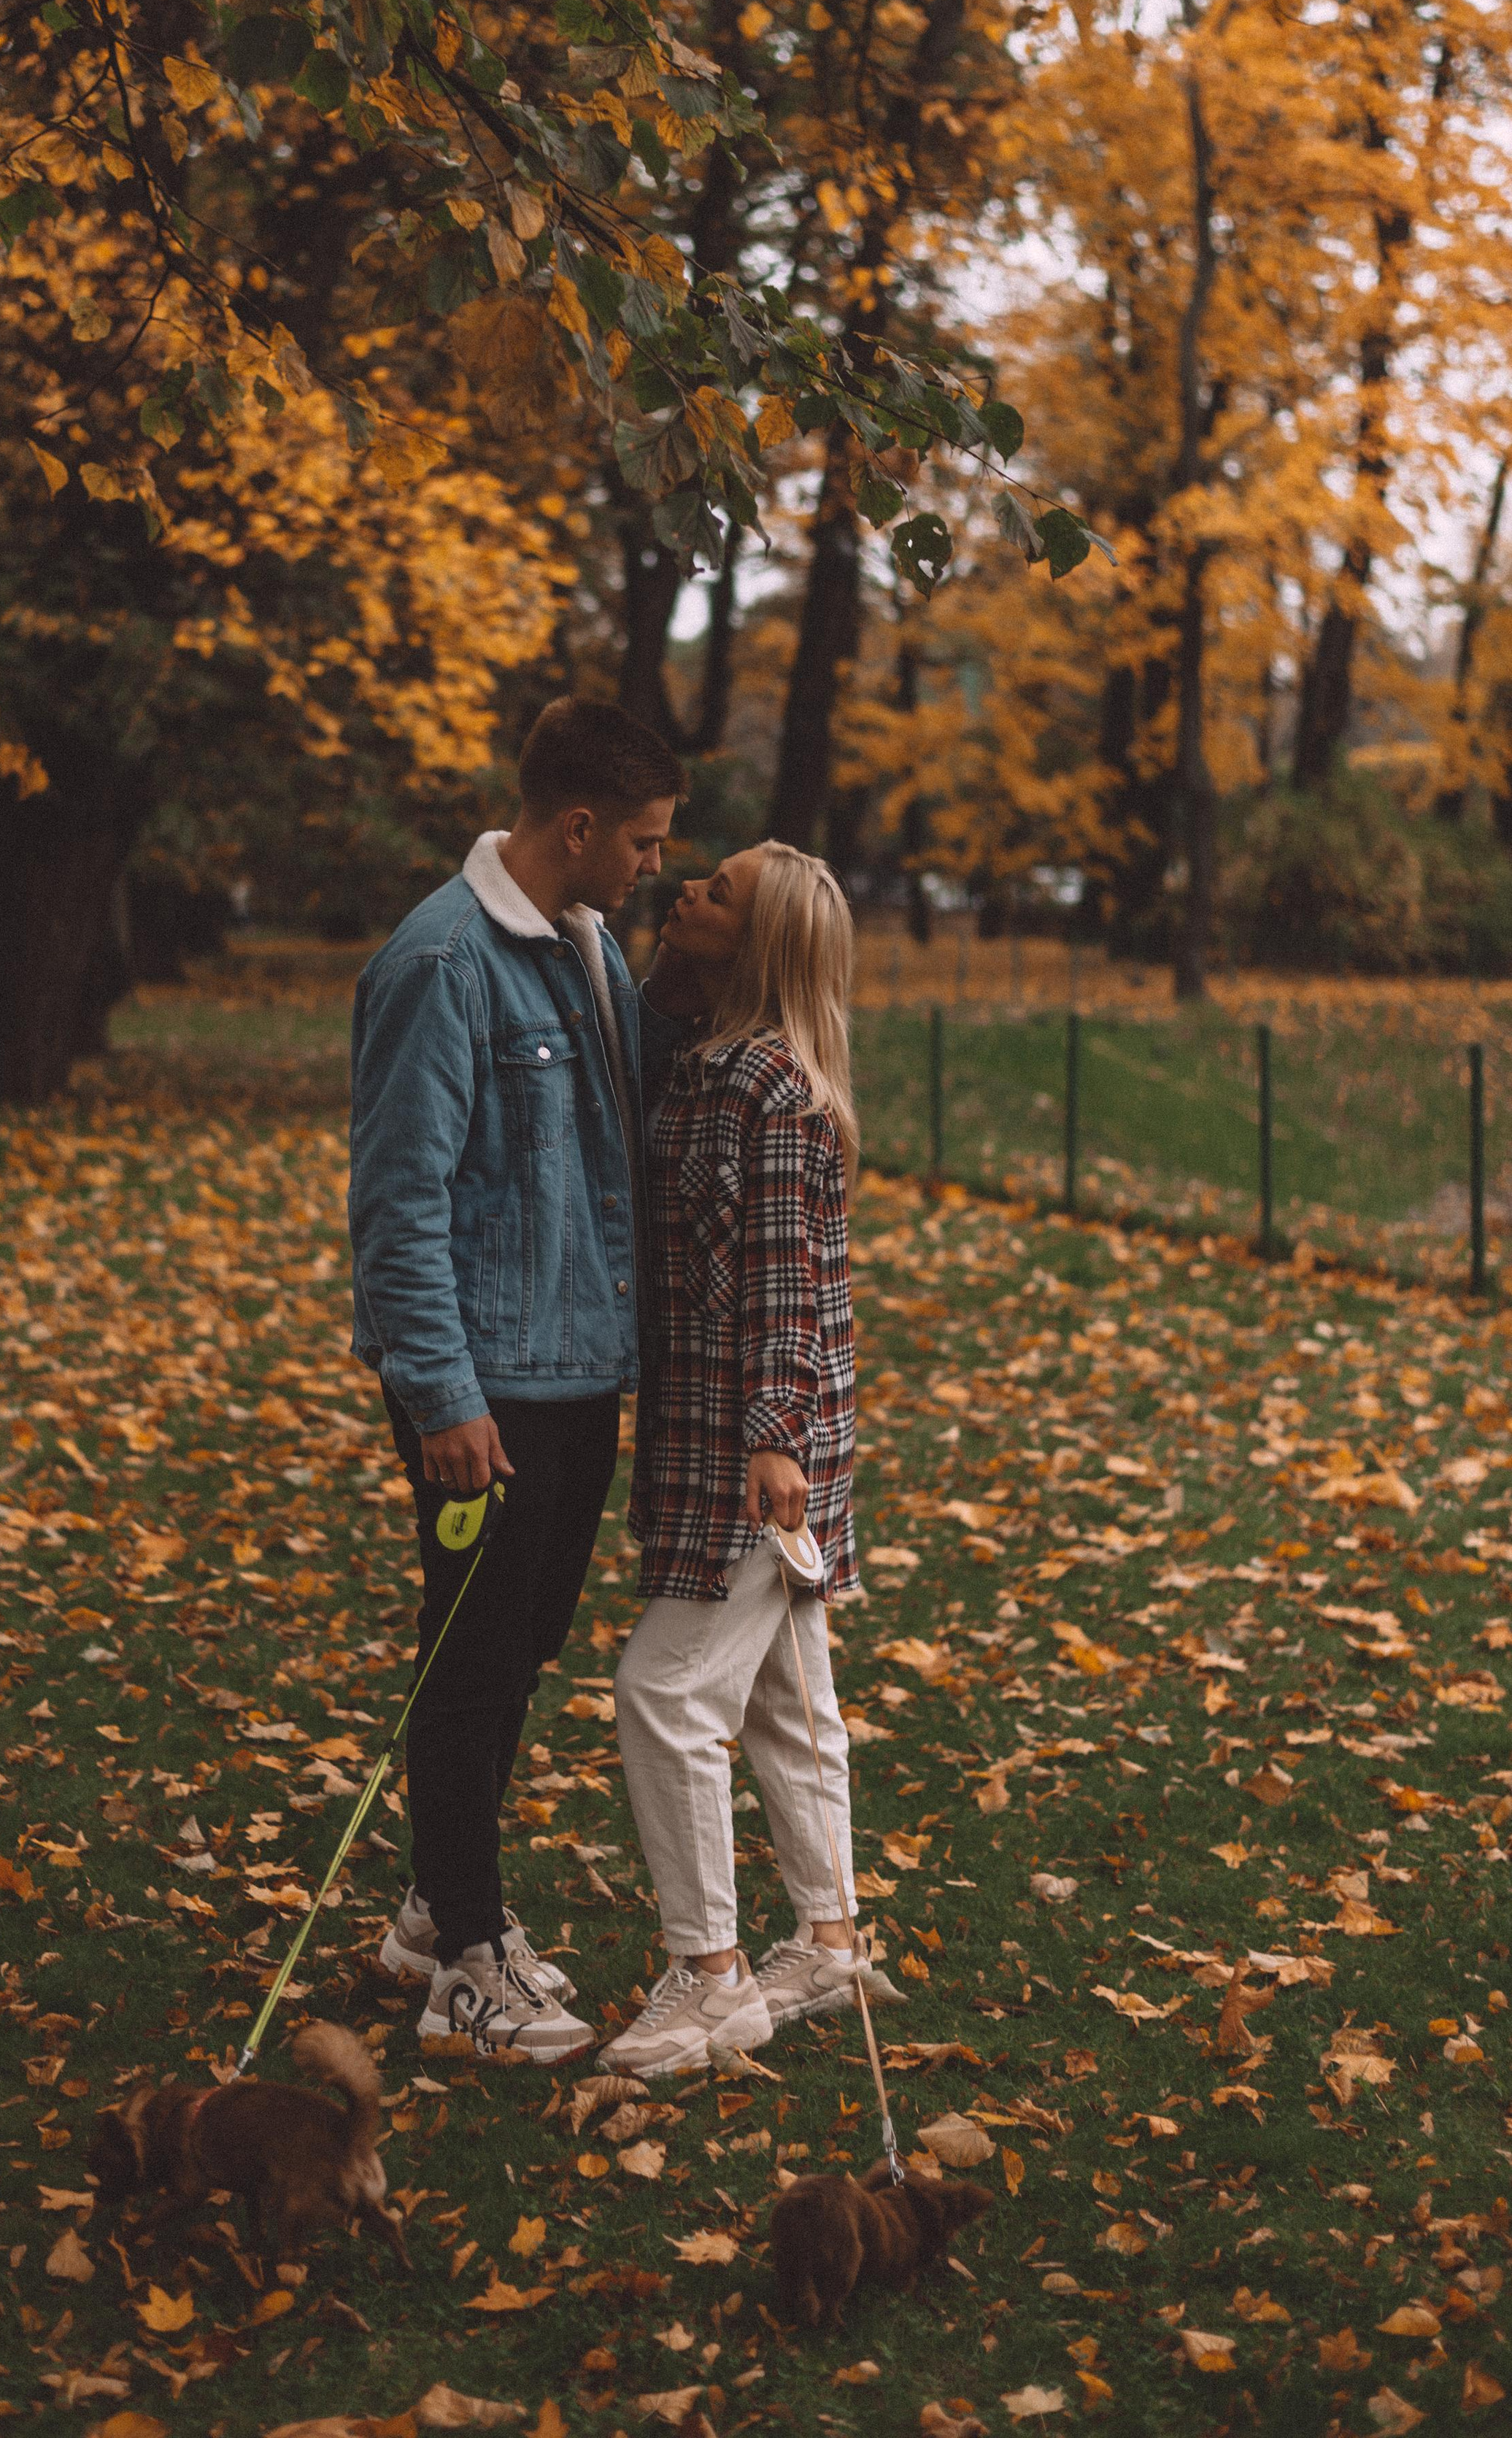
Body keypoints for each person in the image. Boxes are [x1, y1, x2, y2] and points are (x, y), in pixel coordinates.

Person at [350, 696, 687, 2061]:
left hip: (574, 1369)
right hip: (484, 1386)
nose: (657, 865)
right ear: (579, 826)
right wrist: (442, 1398)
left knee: (520, 1644)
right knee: (476, 1652)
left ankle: (438, 1905)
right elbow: (398, 1202)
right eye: (650, 841)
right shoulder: (445, 962)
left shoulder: (588, 946)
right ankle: (472, 1970)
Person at [598, 841, 901, 2078]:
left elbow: (784, 1282)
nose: (686, 891)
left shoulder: (764, 1088)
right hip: (749, 1439)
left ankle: (710, 1976)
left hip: (753, 1448)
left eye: (714, 891)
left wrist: (772, 1437)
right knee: (788, 1701)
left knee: (664, 1694)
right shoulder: (721, 1061)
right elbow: (651, 1025)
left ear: (762, 938)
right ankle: (828, 1939)